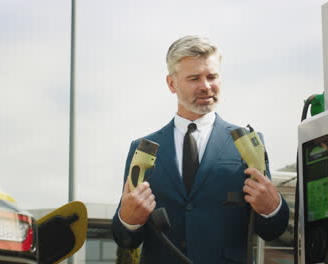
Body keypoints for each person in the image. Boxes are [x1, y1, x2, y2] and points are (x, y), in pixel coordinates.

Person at [112, 35, 289, 264]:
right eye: (194, 78)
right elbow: (125, 239)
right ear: (171, 83)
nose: (206, 86)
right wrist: (128, 219)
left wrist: (272, 208)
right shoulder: (143, 149)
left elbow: (273, 230)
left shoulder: (248, 144)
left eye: (212, 76)